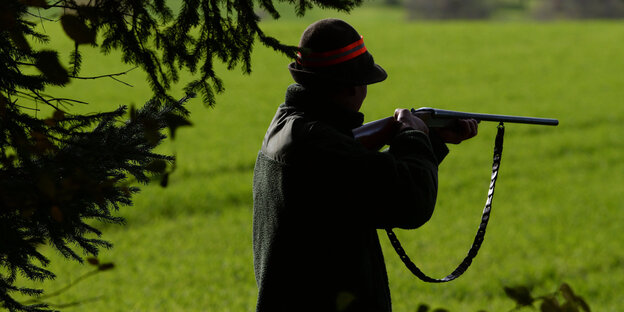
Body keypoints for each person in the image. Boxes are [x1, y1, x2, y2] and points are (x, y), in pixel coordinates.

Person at [252, 18, 478, 312]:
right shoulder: (320, 144)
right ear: (350, 86)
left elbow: (364, 183)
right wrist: (413, 135)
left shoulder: (290, 125)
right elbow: (411, 201)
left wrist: (431, 141)